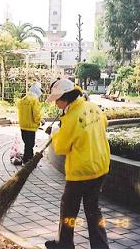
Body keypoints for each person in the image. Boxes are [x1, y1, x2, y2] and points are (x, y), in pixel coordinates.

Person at [45, 78, 110, 249]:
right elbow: (104, 123)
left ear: (64, 98)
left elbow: (60, 148)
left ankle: (64, 245)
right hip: (101, 167)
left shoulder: (71, 117)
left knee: (69, 210)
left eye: (56, 100)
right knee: (93, 210)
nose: (55, 103)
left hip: (81, 172)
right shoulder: (94, 107)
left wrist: (55, 132)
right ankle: (101, 246)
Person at [17, 82, 43, 165]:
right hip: (31, 127)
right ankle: (28, 161)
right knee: (30, 144)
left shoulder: (23, 99)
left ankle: (27, 159)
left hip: (23, 126)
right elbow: (36, 114)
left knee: (26, 144)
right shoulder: (34, 100)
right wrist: (40, 121)